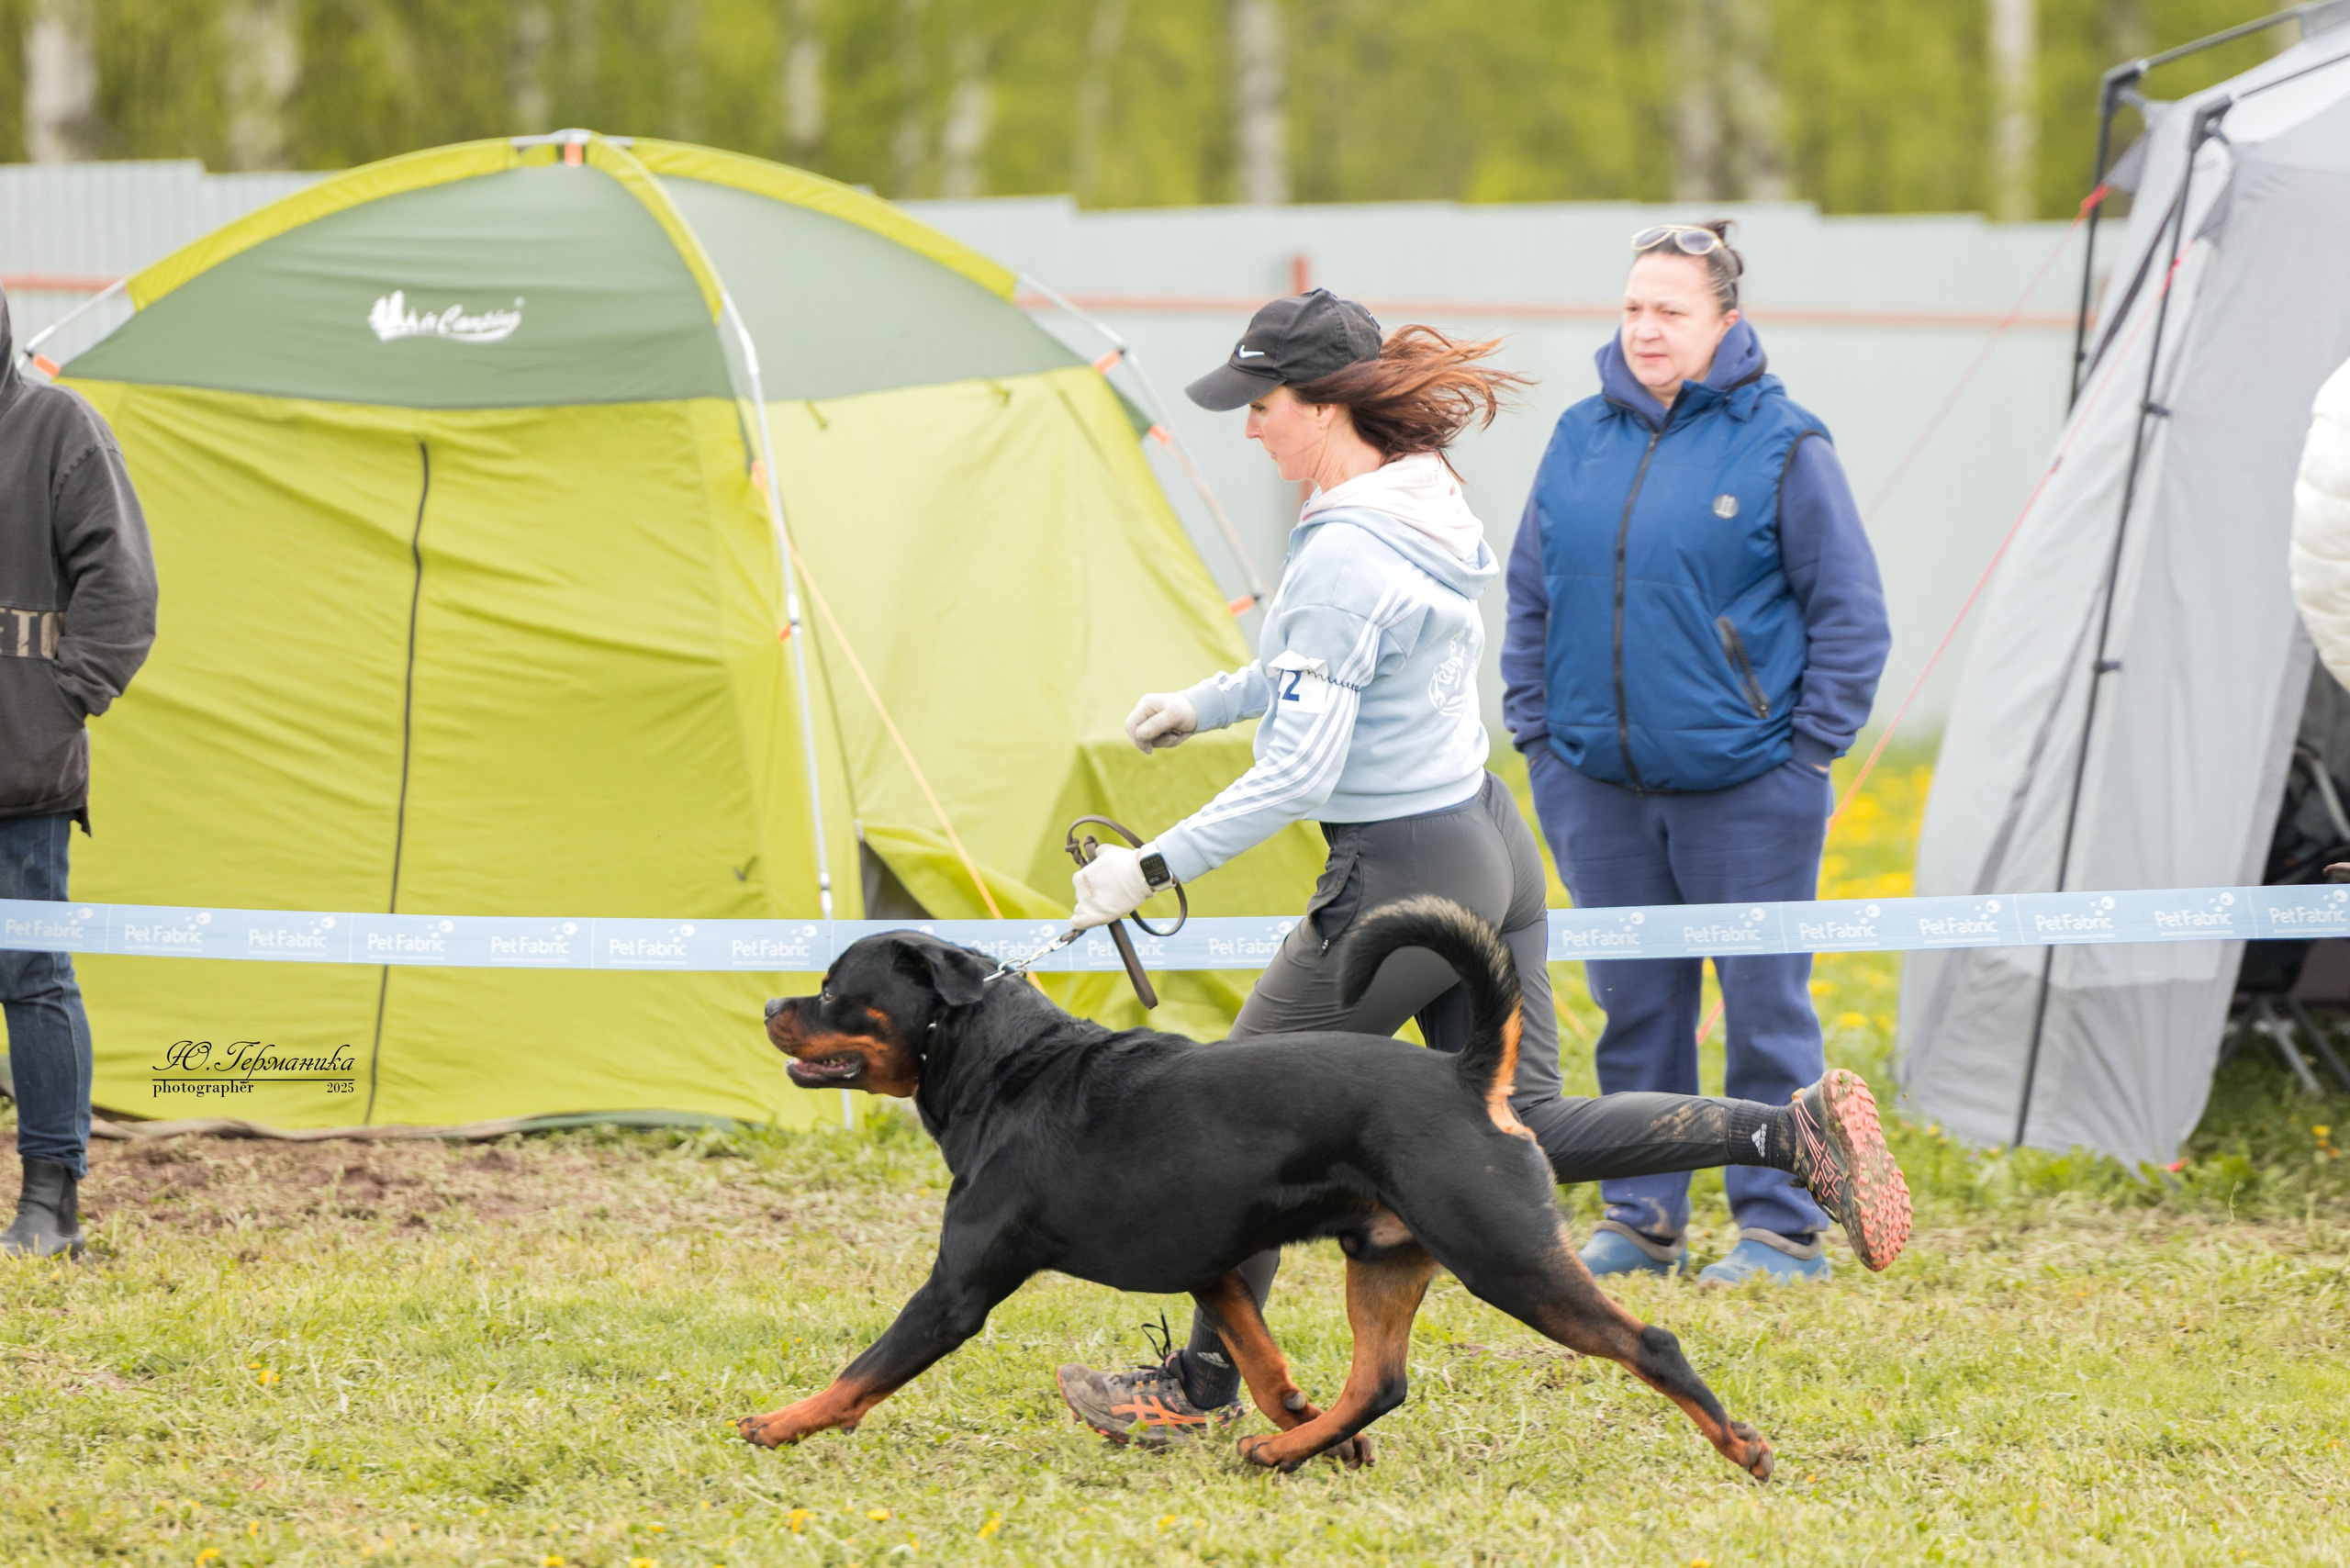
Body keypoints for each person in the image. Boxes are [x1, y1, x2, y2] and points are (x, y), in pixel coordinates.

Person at [1050, 288, 1904, 1444]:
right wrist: (1206, 702)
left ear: (1326, 404)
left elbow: (1299, 770)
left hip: (1396, 869)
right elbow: (1331, 661)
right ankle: (1781, 1134)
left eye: (1263, 404)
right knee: (1519, 1116)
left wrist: (1143, 869)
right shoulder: (1421, 497)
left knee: (1221, 1126)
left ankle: (1196, 1384)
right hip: (1485, 834)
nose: (1250, 427)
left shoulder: (1345, 548)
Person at [1503, 221, 1890, 1286]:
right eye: (1632, 308)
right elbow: (1530, 595)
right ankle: (1641, 1217)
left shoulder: (1784, 442)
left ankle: (1779, 1230)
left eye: (1669, 309)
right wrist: (1539, 737)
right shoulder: (1579, 435)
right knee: (1636, 1011)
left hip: (1749, 787)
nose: (1645, 329)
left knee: (1766, 1012)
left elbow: (1851, 614)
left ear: (1724, 319)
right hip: (1595, 787)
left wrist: (1802, 754)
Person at [0, 286, 159, 1260]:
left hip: (21, 768)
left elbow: (124, 588)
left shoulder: (60, 428)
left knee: (30, 975)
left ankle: (50, 1206)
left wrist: (62, 703)